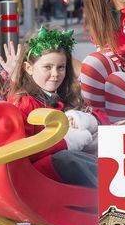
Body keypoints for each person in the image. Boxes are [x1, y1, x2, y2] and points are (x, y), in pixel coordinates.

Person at [7, 27, 109, 186]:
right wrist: (66, 141)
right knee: (66, 159)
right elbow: (22, 150)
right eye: (47, 67)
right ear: (29, 68)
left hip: (73, 165)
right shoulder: (24, 102)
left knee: (109, 138)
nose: (55, 74)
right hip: (39, 174)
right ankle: (111, 189)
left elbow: (100, 115)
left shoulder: (68, 94)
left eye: (60, 67)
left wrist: (86, 119)